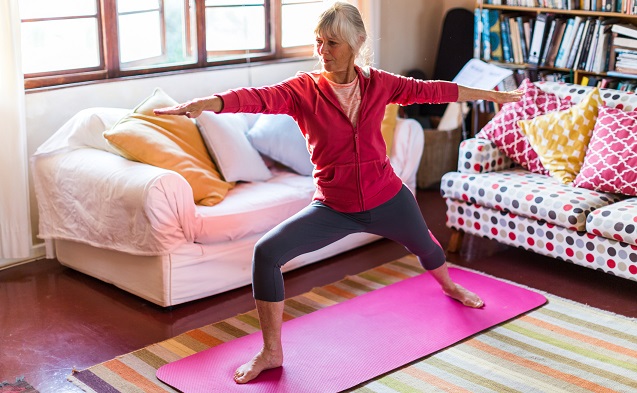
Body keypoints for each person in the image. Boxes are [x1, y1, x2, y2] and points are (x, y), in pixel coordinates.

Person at [155, 1, 522, 384]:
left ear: (356, 42)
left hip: (388, 197)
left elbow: (430, 90)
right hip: (334, 207)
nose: (323, 52)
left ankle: (450, 286)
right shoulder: (303, 91)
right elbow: (256, 96)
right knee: (266, 253)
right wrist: (210, 104)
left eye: (332, 43)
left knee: (428, 246)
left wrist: (490, 96)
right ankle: (271, 351)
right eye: (319, 42)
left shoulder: (379, 83)